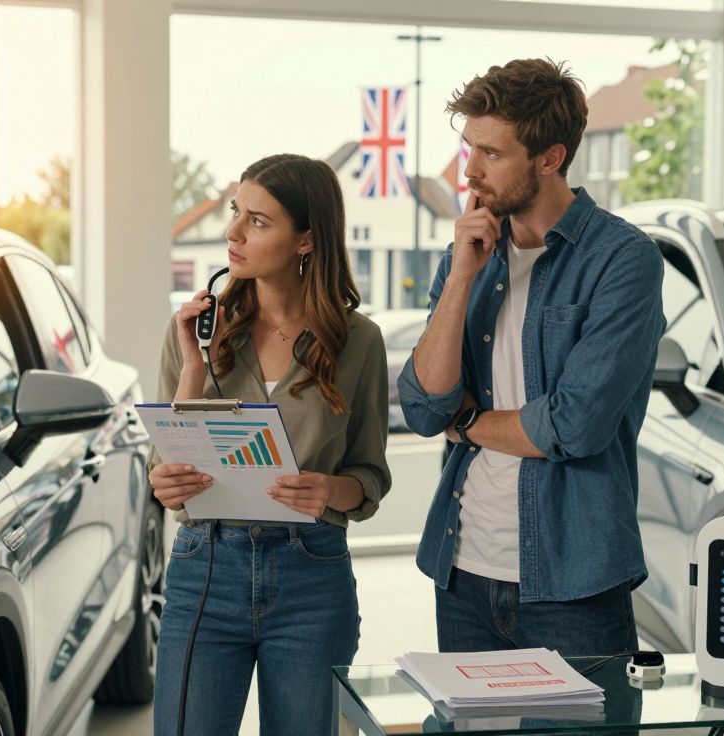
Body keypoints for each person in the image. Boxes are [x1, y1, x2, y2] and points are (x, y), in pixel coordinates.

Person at [399, 58, 665, 657]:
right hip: (463, 570)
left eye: (492, 153)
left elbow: (575, 424)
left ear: (551, 157)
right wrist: (463, 275)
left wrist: (466, 422)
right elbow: (420, 407)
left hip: (574, 582)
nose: (470, 171)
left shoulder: (623, 260)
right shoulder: (466, 255)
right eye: (469, 147)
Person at [149, 153, 391, 735]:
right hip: (206, 568)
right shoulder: (198, 330)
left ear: (306, 239)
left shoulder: (359, 341)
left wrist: (331, 488)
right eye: (237, 212)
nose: (233, 232)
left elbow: (371, 474)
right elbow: (174, 482)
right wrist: (191, 371)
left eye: (258, 221)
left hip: (312, 575)